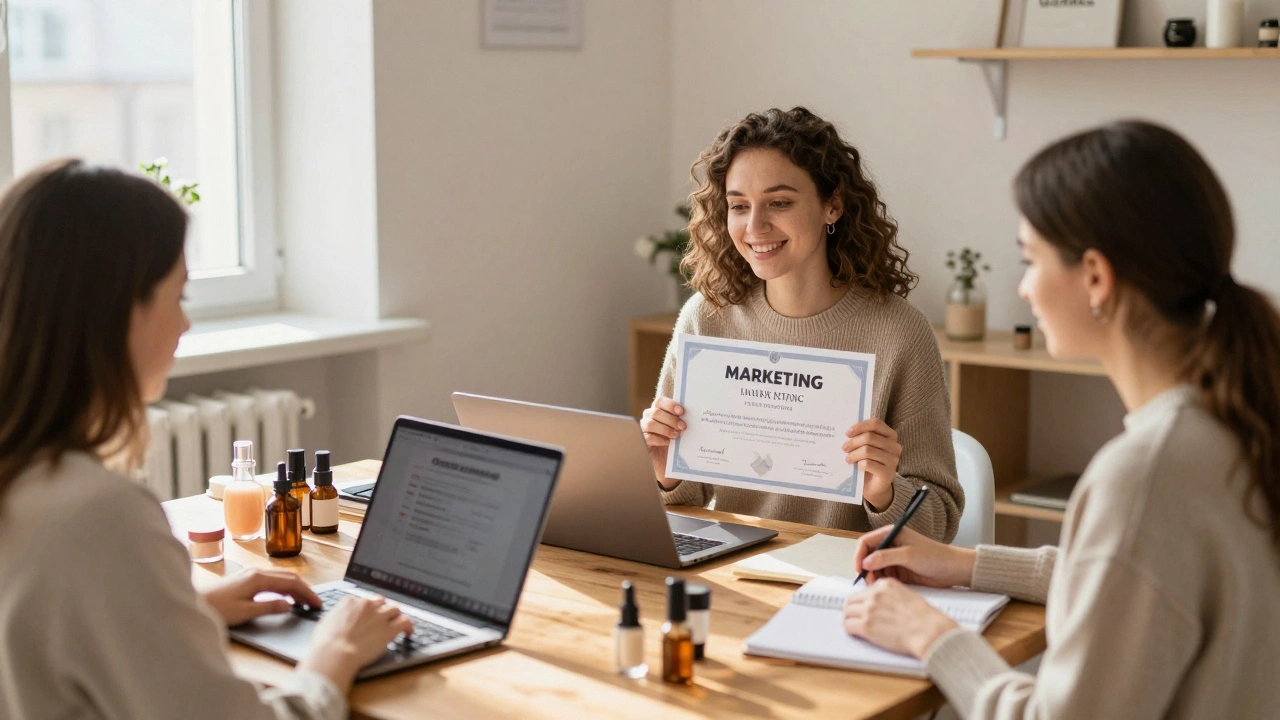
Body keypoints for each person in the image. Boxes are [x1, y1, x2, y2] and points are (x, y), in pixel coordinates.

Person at [842, 120, 1280, 718]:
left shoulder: (1147, 474)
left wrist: (931, 637)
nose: (1024, 289)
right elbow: (1132, 581)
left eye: (1030, 260)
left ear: (1097, 277)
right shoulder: (1238, 418)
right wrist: (966, 565)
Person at [0, 159, 414, 720]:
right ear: (119, 313)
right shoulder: (97, 515)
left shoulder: (25, 482)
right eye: (178, 297)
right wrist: (333, 656)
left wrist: (179, 612)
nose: (185, 325)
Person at [642, 107, 962, 540]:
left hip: (845, 581)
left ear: (833, 205)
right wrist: (665, 471)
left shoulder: (900, 334)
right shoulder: (706, 317)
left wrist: (884, 492)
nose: (755, 226)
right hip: (734, 569)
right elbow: (682, 502)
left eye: (779, 203)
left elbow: (939, 526)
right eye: (739, 206)